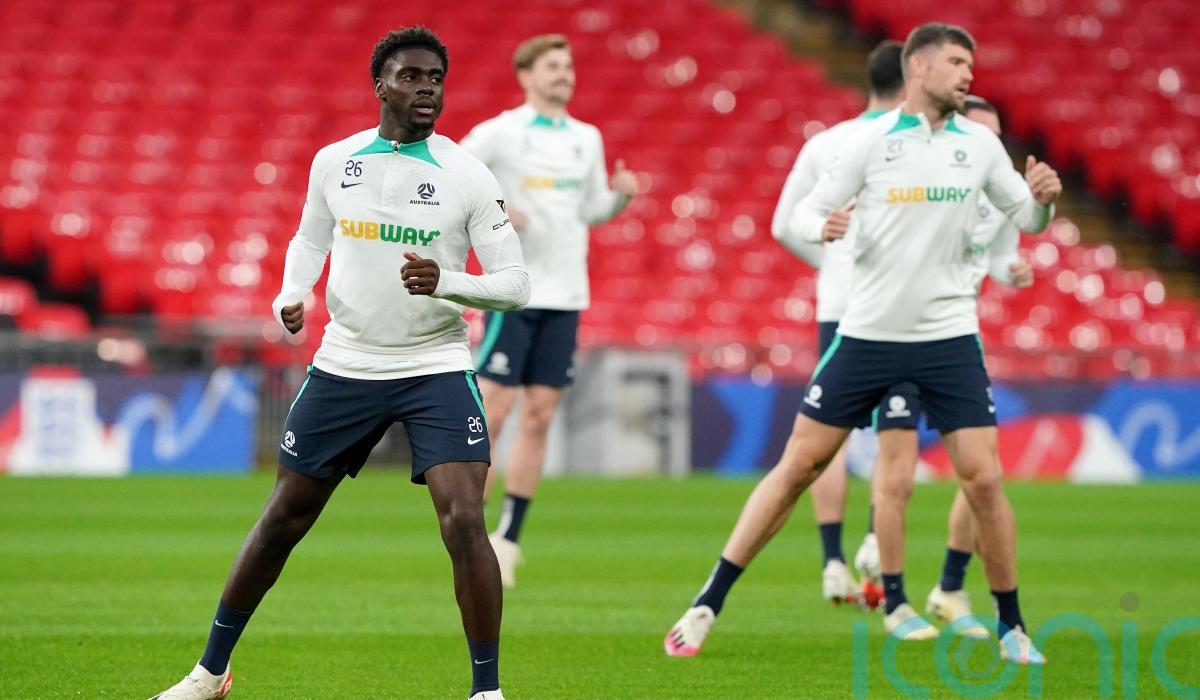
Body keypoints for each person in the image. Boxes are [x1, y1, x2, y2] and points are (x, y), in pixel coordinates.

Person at [149, 26, 528, 700]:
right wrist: (291, 293)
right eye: (411, 77)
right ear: (381, 84)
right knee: (283, 518)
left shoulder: (468, 174)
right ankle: (210, 673)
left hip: (434, 362)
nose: (426, 90)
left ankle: (486, 691)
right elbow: (308, 240)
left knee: (464, 517)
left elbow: (515, 284)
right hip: (347, 362)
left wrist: (446, 281)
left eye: (435, 79)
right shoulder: (334, 162)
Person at [665, 23, 1060, 664]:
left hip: (949, 339)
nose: (968, 74)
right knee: (798, 468)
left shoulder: (982, 146)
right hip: (868, 335)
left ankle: (1012, 625)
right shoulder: (869, 144)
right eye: (956, 62)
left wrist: (1044, 203)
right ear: (918, 67)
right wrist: (821, 225)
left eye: (971, 64)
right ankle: (706, 602)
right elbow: (801, 213)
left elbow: (1028, 218)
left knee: (985, 480)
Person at [460, 34, 637, 589]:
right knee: (494, 412)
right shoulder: (501, 131)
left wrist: (620, 196)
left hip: (566, 293)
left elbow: (591, 209)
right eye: (554, 66)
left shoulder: (587, 138)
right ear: (526, 75)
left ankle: (508, 538)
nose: (565, 74)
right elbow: (452, 173)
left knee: (539, 416)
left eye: (569, 66)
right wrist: (495, 207)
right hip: (514, 290)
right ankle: (468, 533)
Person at [770, 39, 904, 609]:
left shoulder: (826, 143)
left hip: (837, 306)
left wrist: (830, 263)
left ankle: (831, 562)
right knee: (894, 434)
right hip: (897, 310)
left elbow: (783, 224)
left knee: (829, 438)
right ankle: (875, 540)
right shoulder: (910, 143)